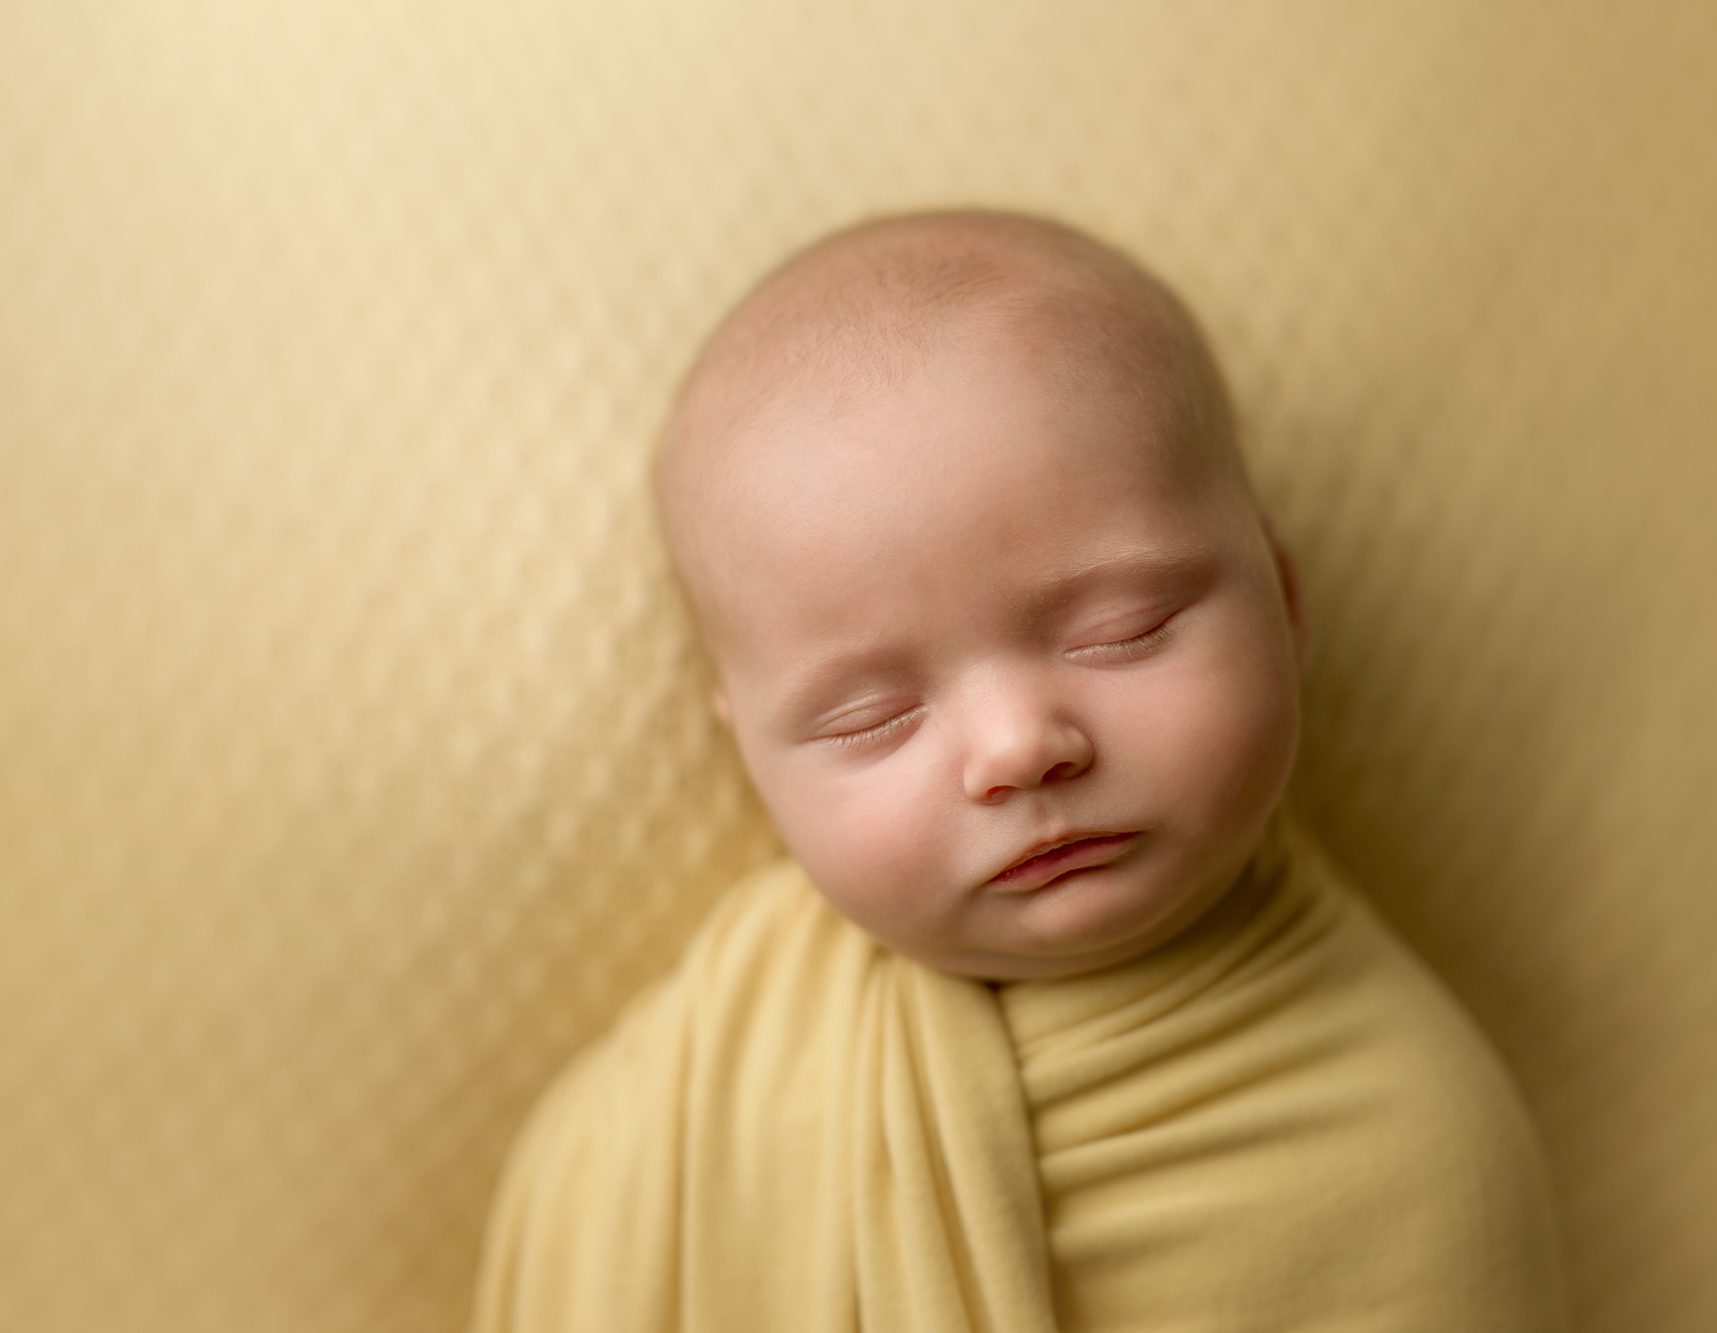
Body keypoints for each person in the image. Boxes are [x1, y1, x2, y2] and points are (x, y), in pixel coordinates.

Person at [470, 208, 1570, 1331]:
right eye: (870, 717)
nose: (1016, 748)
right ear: (749, 752)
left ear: (1283, 605)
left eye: (1122, 630)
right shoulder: (709, 1085)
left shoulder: (1408, 1145)